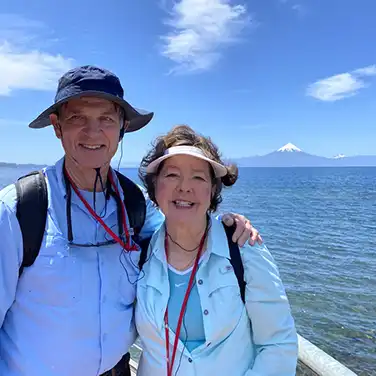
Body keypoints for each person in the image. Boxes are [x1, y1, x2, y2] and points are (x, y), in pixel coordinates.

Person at [0, 65, 262, 376]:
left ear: (122, 128)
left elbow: (181, 235)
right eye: (77, 118)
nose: (93, 132)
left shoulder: (136, 204)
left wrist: (225, 226)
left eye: (106, 120)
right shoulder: (18, 210)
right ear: (57, 127)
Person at [135, 125, 298, 376]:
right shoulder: (140, 254)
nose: (184, 187)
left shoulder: (244, 249)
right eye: (172, 175)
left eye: (198, 177)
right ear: (154, 186)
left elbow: (278, 343)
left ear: (213, 190)